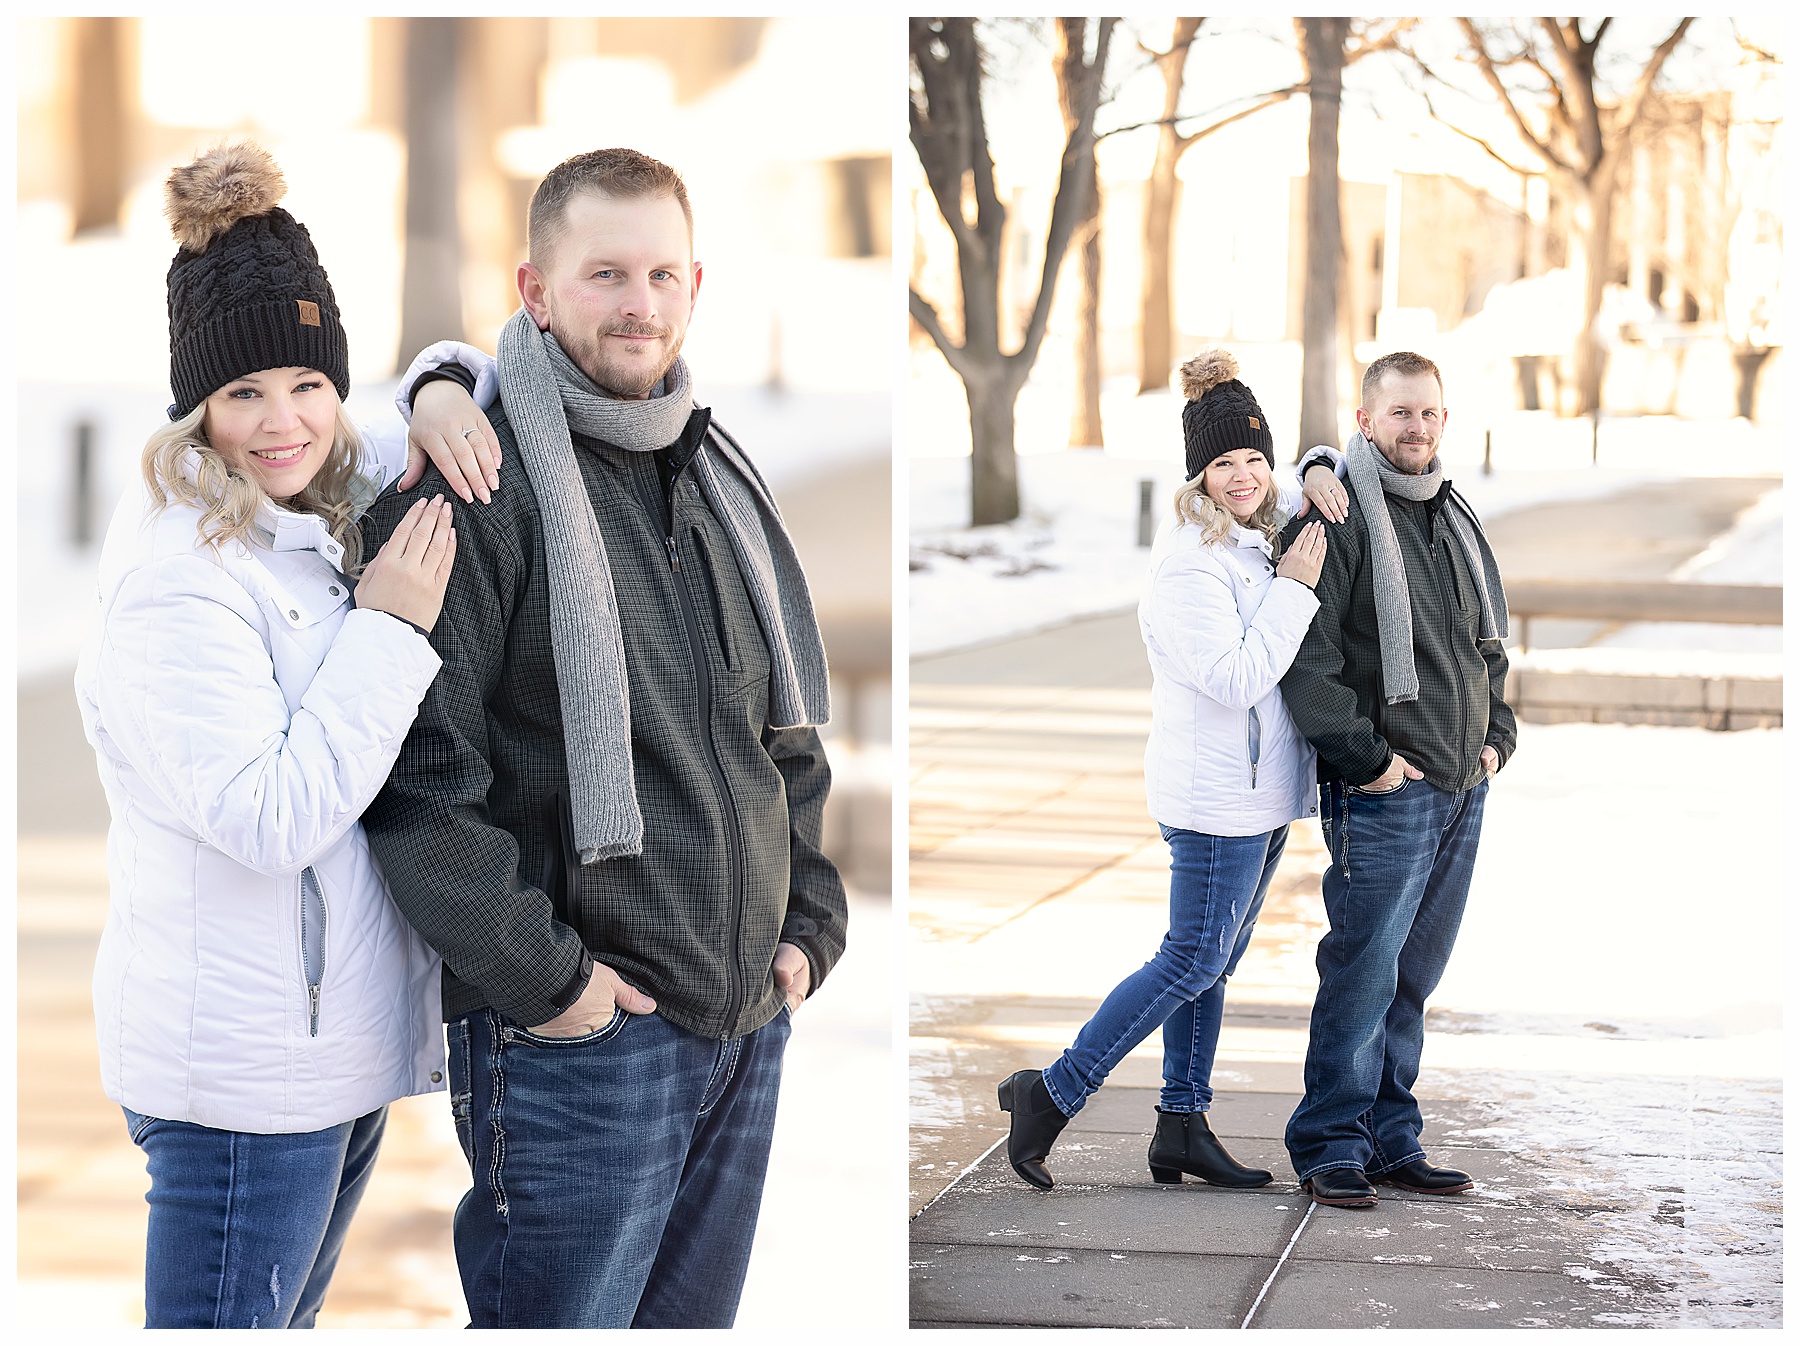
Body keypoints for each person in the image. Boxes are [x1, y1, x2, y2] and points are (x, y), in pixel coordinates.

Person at [356, 147, 849, 1330]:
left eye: (662, 273)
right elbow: (418, 784)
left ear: (694, 286)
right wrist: (555, 985)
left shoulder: (715, 474)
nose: (639, 303)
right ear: (533, 289)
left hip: (742, 1025)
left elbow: (778, 732)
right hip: (582, 1045)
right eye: (605, 274)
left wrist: (810, 925)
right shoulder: (473, 486)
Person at [74, 142, 504, 1328]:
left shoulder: (292, 526)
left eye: (310, 384)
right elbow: (267, 816)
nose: (284, 420)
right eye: (245, 392)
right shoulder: (181, 578)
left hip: (315, 1058)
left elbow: (487, 368)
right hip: (239, 1087)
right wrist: (392, 630)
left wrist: (438, 384)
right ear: (196, 407)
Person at [997, 350, 1347, 1191]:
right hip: (1214, 799)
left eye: (1255, 458)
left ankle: (1182, 1125)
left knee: (1212, 964)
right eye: (1223, 463)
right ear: (1197, 474)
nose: (1243, 477)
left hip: (1259, 794)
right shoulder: (1193, 561)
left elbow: (1319, 470)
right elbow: (1232, 677)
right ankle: (1051, 1092)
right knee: (1189, 959)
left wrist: (1316, 462)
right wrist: (1297, 588)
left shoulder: (1257, 521)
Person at [1277, 350, 1516, 1209]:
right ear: (1367, 419)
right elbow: (1308, 663)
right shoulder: (1333, 515)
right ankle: (1330, 1140)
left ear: (1444, 422)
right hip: (1386, 788)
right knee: (1364, 969)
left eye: (1429, 414)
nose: (1416, 428)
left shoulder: (1453, 515)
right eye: (1400, 414)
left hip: (1460, 782)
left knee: (1415, 974)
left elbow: (1483, 645)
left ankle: (1388, 1137)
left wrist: (1498, 735)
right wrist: (1370, 761)